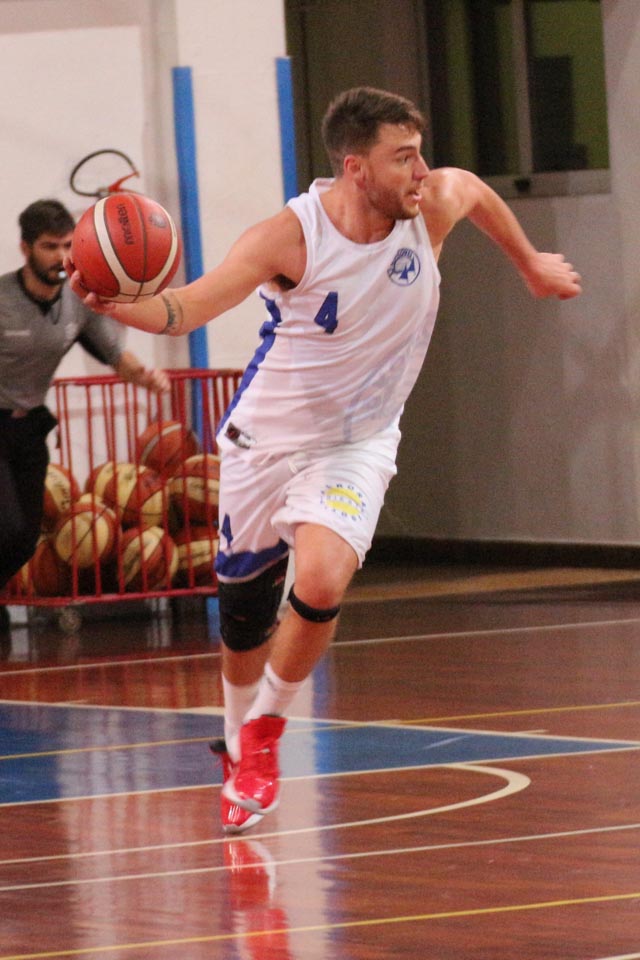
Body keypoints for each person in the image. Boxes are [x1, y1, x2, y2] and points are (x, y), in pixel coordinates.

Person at [67, 87, 582, 833]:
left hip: (357, 443)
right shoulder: (289, 237)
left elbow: (471, 189)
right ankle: (237, 736)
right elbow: (188, 308)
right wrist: (116, 305)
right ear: (355, 168)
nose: (421, 171)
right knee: (243, 618)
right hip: (265, 442)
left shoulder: (429, 207)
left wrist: (530, 263)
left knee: (319, 579)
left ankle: (265, 734)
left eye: (419, 154)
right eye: (403, 158)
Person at [0, 198, 170, 625]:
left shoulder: (76, 302)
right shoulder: (2, 299)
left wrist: (144, 376)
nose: (60, 257)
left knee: (24, 539)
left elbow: (114, 353)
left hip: (29, 427)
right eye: (49, 247)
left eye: (67, 246)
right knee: (6, 527)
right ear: (25, 249)